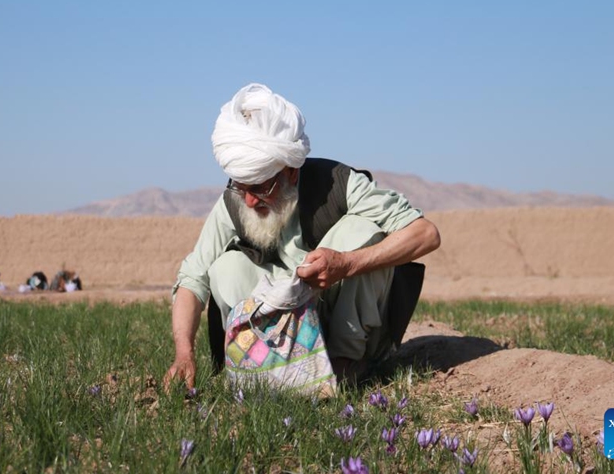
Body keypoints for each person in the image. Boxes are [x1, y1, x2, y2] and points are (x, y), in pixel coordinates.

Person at [163, 83, 440, 390]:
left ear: (292, 171)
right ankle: (257, 369)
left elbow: (425, 233)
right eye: (242, 187)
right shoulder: (235, 201)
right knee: (224, 268)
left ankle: (343, 368)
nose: (251, 201)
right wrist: (184, 354)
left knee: (361, 232)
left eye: (261, 188)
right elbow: (192, 278)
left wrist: (347, 264)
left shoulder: (339, 183)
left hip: (340, 325)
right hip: (275, 337)